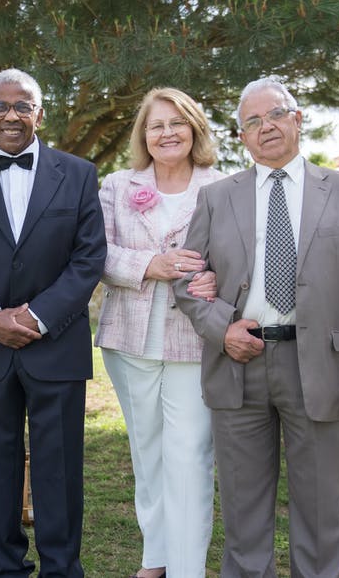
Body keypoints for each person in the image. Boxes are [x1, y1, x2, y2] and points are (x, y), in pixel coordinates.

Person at [173, 76, 339, 578]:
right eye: (252, 121)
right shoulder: (217, 197)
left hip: (320, 368)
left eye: (274, 115)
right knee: (243, 510)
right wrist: (222, 326)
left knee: (320, 505)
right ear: (241, 137)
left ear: (298, 119)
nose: (264, 127)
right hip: (238, 365)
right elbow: (186, 282)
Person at [0, 69, 106, 578]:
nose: (11, 115)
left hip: (55, 343)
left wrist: (36, 316)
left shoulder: (78, 173)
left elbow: (88, 260)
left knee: (59, 470)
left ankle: (61, 568)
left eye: (22, 105)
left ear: (40, 113)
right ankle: (3, 569)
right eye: (0, 106)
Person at [95, 87, 224, 578]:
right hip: (129, 339)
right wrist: (151, 263)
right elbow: (96, 254)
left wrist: (217, 278)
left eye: (177, 122)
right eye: (156, 125)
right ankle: (156, 558)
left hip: (194, 339)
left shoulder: (223, 185)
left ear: (194, 127)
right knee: (146, 451)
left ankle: (188, 568)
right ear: (143, 135)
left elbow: (240, 258)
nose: (167, 133)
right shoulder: (117, 186)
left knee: (190, 454)